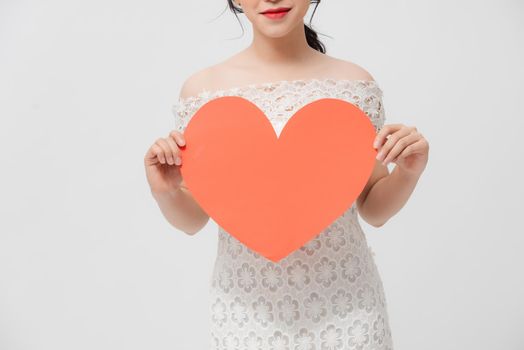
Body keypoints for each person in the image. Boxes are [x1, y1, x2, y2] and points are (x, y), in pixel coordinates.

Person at [144, 0, 429, 349]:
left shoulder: (353, 85)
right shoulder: (203, 92)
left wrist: (408, 173)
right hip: (247, 316)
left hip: (347, 311)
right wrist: (166, 191)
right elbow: (192, 220)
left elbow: (373, 207)